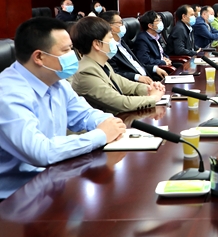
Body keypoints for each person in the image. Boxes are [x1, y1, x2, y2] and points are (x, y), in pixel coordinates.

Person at [0, 17, 126, 179]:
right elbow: (40, 152)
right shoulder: (8, 94)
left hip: (55, 176)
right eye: (66, 50)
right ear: (39, 57)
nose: (73, 55)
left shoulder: (57, 82)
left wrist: (109, 123)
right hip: (20, 189)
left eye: (71, 48)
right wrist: (101, 135)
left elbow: (85, 114)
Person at [70, 17, 164, 114]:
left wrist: (151, 88)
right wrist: (154, 98)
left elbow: (128, 86)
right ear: (97, 44)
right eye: (110, 38)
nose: (113, 42)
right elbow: (121, 103)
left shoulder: (103, 64)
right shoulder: (86, 72)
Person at [99, 11, 167, 83]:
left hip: (147, 77)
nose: (123, 25)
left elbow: (137, 65)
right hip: (134, 83)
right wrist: (137, 77)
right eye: (120, 22)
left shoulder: (121, 42)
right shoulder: (108, 49)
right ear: (110, 27)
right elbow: (114, 75)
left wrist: (154, 68)